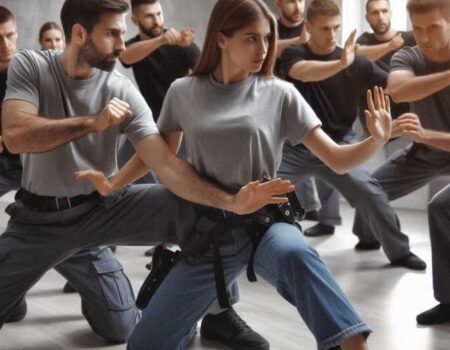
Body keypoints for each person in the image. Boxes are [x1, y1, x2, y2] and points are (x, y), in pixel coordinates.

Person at [80, 0, 400, 347]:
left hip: (266, 223)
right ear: (221, 39)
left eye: (267, 39)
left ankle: (351, 342)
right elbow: (160, 154)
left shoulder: (280, 93)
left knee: (296, 253)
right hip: (208, 232)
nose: (263, 50)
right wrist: (113, 184)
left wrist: (374, 141)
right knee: (144, 343)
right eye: (251, 38)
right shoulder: (183, 91)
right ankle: (189, 327)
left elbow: (337, 159)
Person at [0, 0, 290, 347]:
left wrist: (231, 201)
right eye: (112, 34)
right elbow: (17, 136)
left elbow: (165, 163)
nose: (123, 45)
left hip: (100, 210)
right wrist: (92, 122)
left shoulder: (121, 88)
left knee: (194, 215)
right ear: (79, 33)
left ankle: (217, 312)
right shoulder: (30, 65)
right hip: (37, 221)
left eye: (123, 33)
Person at [275, 0, 426, 270]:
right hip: (295, 146)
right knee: (258, 187)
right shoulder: (293, 54)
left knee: (371, 192)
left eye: (336, 28)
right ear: (308, 27)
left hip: (340, 143)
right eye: (324, 29)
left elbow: (394, 87)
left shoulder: (356, 63)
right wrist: (341, 63)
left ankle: (399, 252)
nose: (332, 35)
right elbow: (303, 73)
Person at [354, 0, 450, 324]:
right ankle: (395, 248)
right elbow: (397, 89)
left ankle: (448, 299)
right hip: (424, 151)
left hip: (431, 141)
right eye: (418, 28)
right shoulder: (408, 54)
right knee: (368, 188)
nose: (423, 36)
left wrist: (427, 135)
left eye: (433, 27)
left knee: (441, 207)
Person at [118, 0, 200, 186]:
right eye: (149, 16)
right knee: (122, 169)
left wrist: (186, 46)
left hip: (180, 125)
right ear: (134, 20)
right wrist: (161, 40)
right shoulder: (134, 46)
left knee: (179, 179)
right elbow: (125, 56)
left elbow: (207, 73)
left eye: (158, 14)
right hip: (149, 123)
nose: (156, 21)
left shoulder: (180, 41)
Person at [274, 0, 327, 222]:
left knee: (324, 159)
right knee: (286, 160)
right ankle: (302, 208)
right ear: (279, 3)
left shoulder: (311, 24)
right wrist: (299, 41)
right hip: (281, 103)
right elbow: (265, 48)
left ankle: (326, 217)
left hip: (315, 99)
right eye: (291, 1)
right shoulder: (272, 26)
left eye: (300, 0)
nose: (297, 6)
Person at [356, 0, 416, 128]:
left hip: (408, 120)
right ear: (367, 17)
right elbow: (356, 56)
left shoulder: (409, 38)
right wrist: (389, 46)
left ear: (391, 13)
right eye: (375, 13)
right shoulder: (364, 40)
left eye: (384, 11)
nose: (380, 17)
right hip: (375, 123)